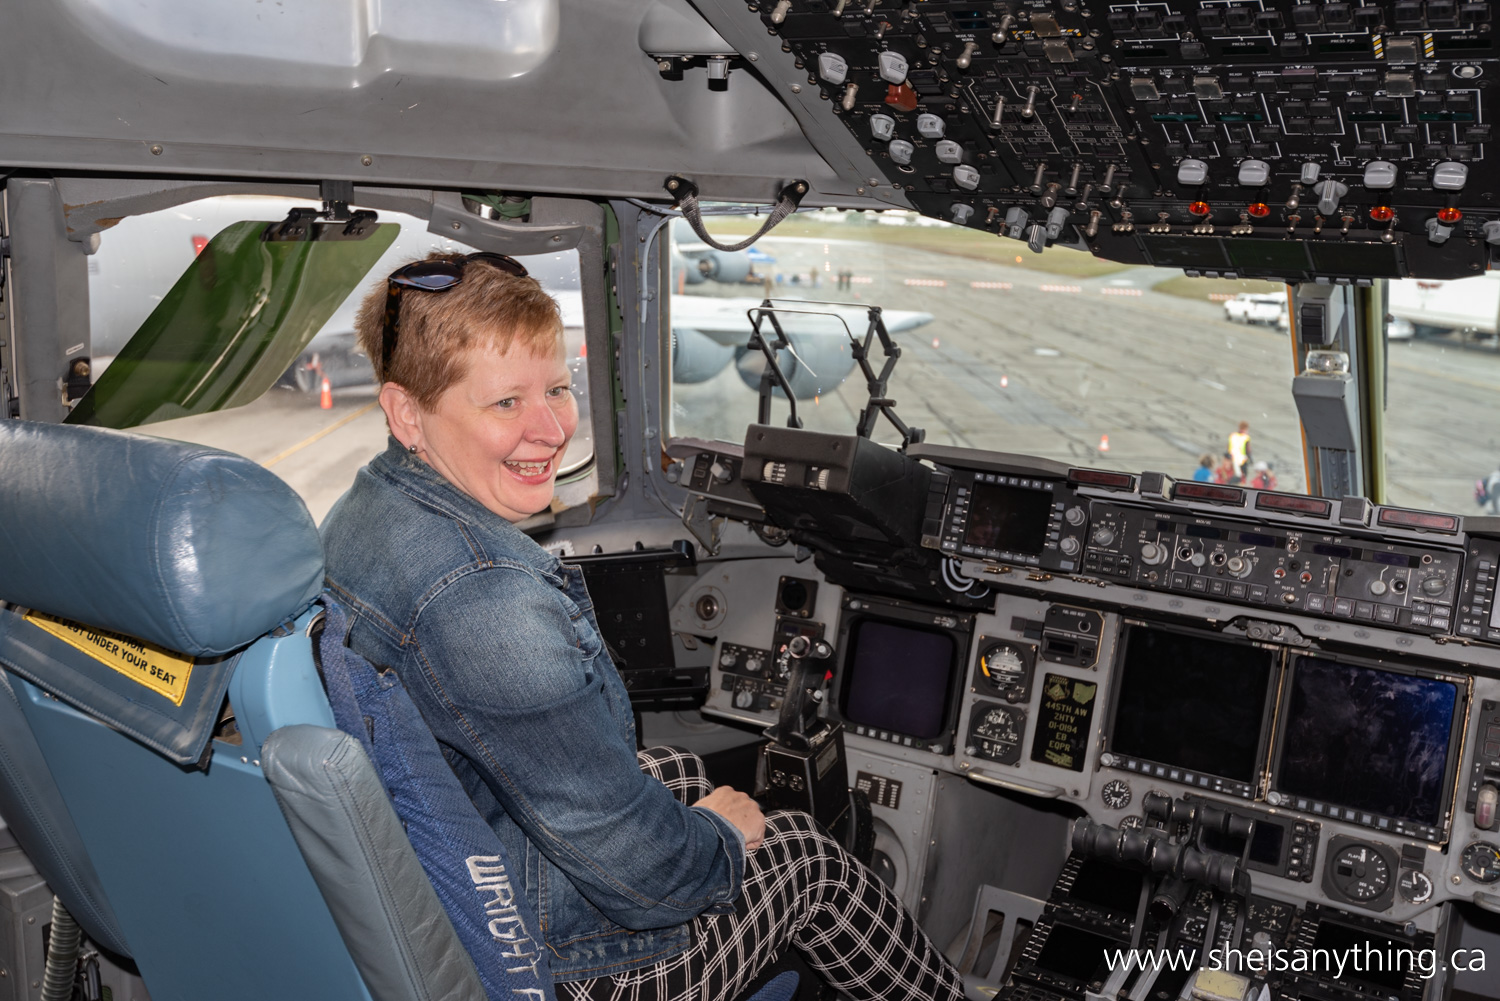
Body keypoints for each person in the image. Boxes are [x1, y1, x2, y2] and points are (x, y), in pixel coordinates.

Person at [321, 252, 964, 1001]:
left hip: (460, 876)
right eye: (506, 403)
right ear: (407, 412)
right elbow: (647, 877)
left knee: (679, 769)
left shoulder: (364, 510)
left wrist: (701, 823)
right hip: (563, 966)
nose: (552, 429)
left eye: (557, 389)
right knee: (811, 862)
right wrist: (721, 840)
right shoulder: (483, 598)